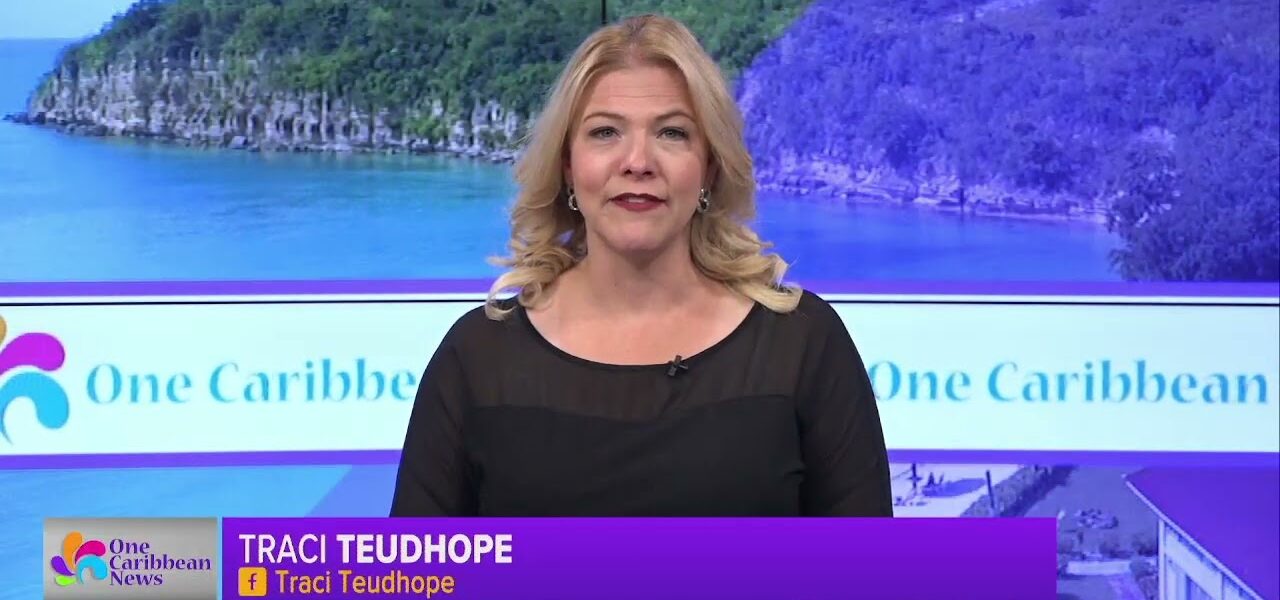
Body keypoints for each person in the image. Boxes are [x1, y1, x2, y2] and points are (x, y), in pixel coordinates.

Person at [390, 14, 891, 517]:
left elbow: (872, 560)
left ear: (709, 168)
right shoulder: (478, 358)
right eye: (605, 132)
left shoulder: (802, 344)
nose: (637, 162)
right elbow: (418, 561)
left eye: (672, 133)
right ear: (568, 166)